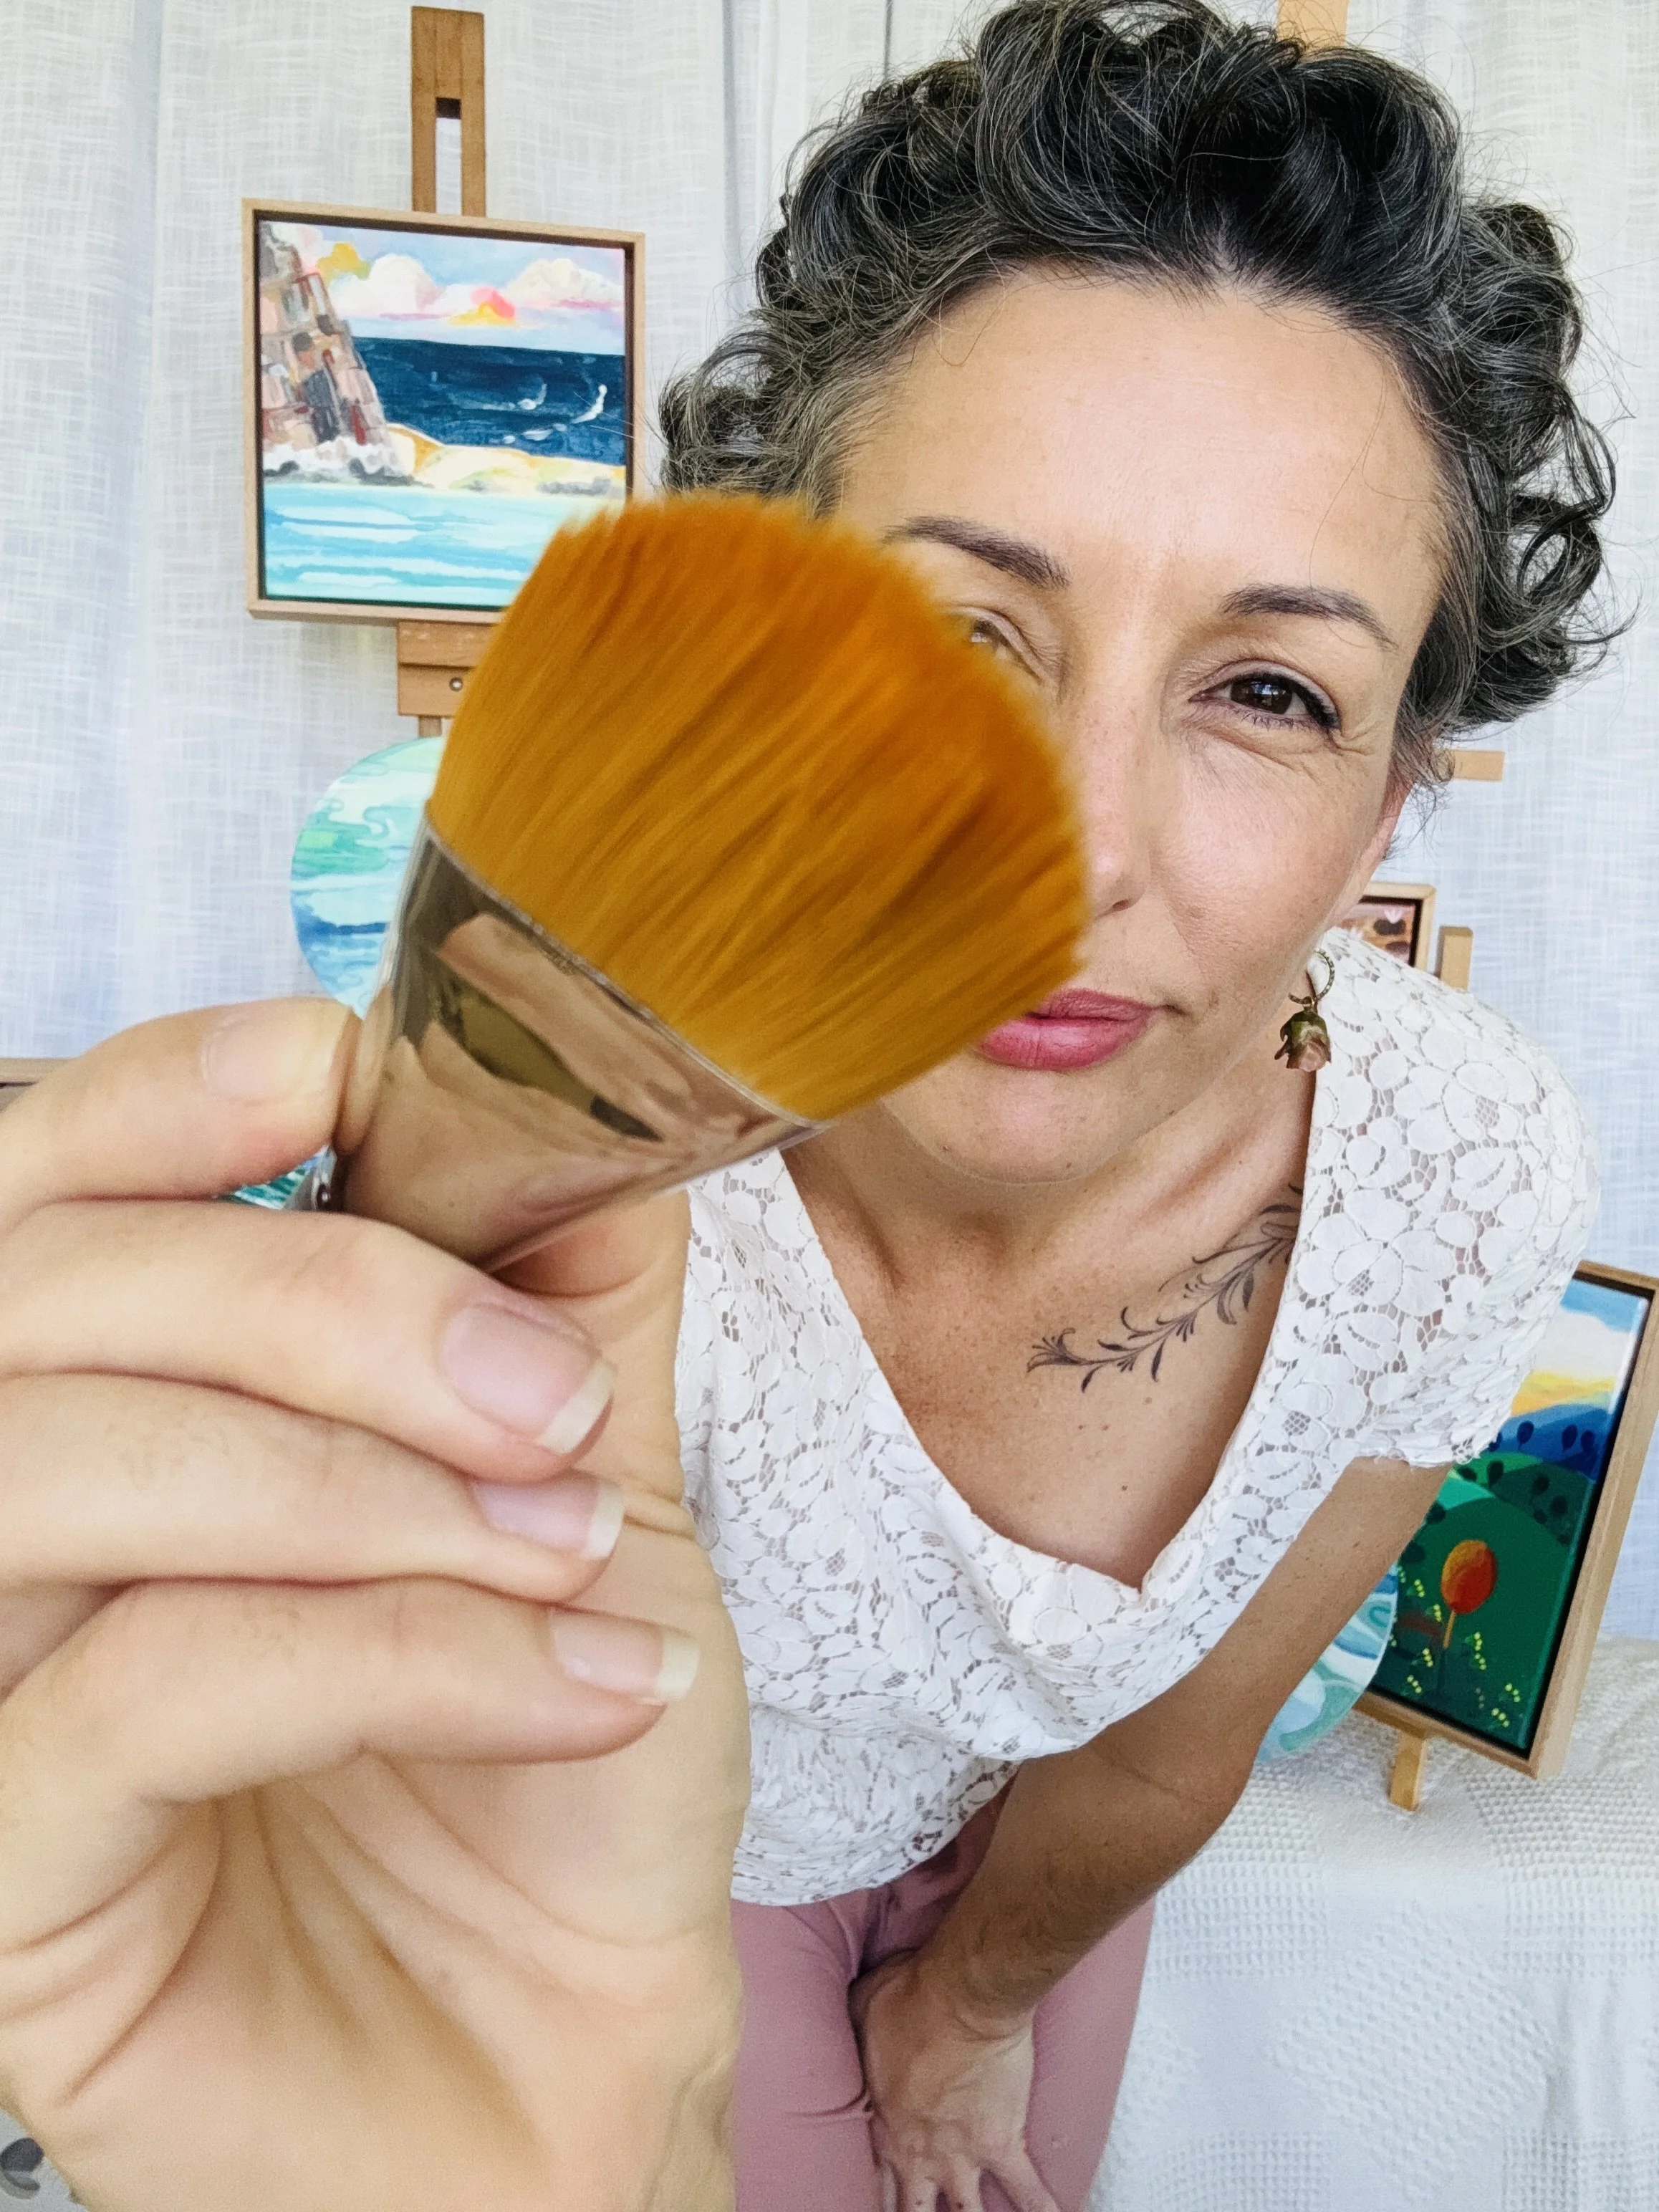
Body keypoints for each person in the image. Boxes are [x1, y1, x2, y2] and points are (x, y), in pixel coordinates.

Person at [0, 4, 1615, 2210]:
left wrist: (963, 2014)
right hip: (606, 1838)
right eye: (960, 636)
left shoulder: (1462, 1169)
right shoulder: (552, 1134)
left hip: (1051, 1857)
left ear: (1391, 804)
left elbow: (1171, 1734)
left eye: (1265, 689)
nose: (1077, 855)